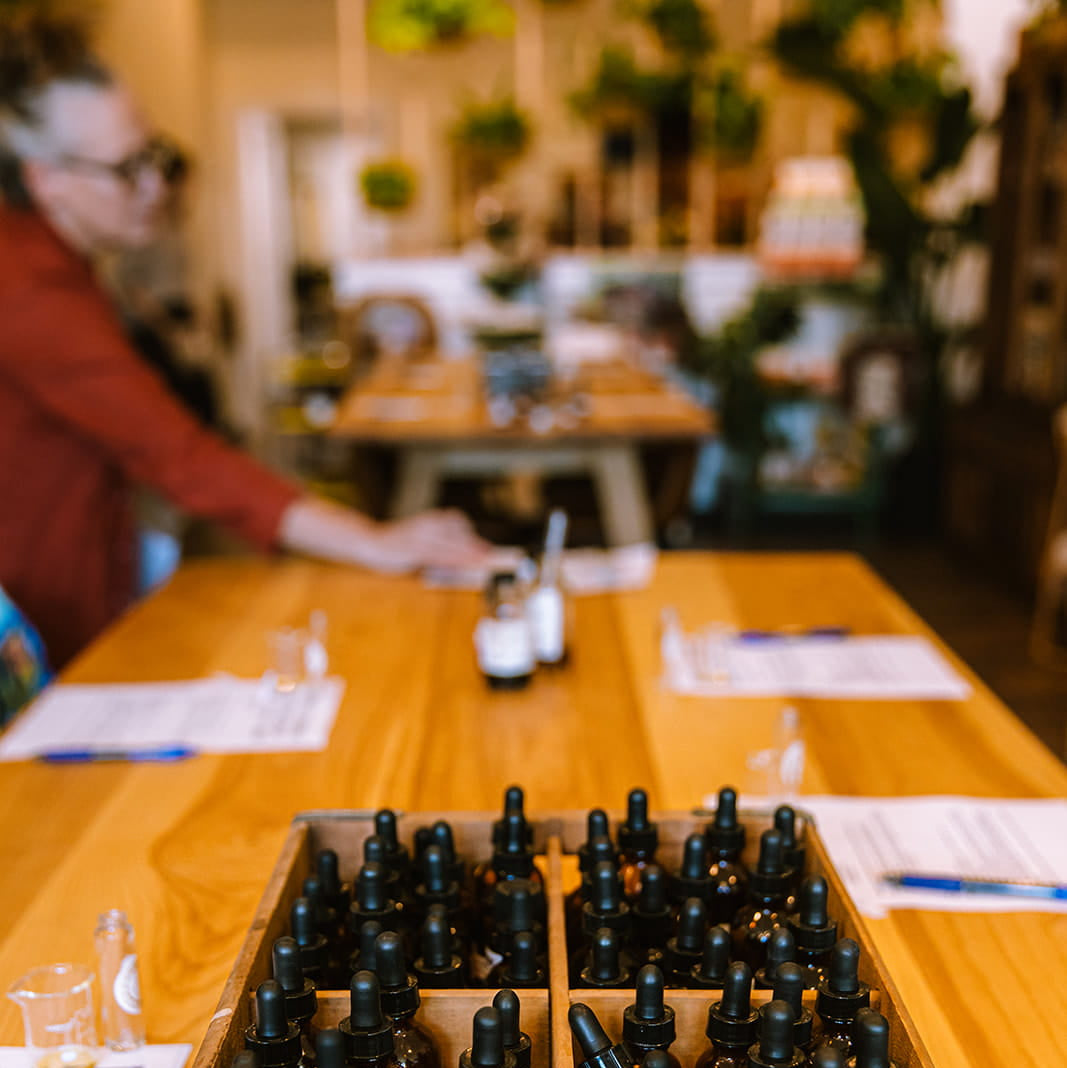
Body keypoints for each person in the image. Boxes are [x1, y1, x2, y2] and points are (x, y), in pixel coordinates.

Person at [0, 12, 486, 669]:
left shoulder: (54, 264)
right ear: (44, 178)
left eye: (155, 156)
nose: (154, 188)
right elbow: (175, 455)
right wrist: (375, 540)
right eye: (124, 170)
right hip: (39, 623)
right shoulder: (27, 287)